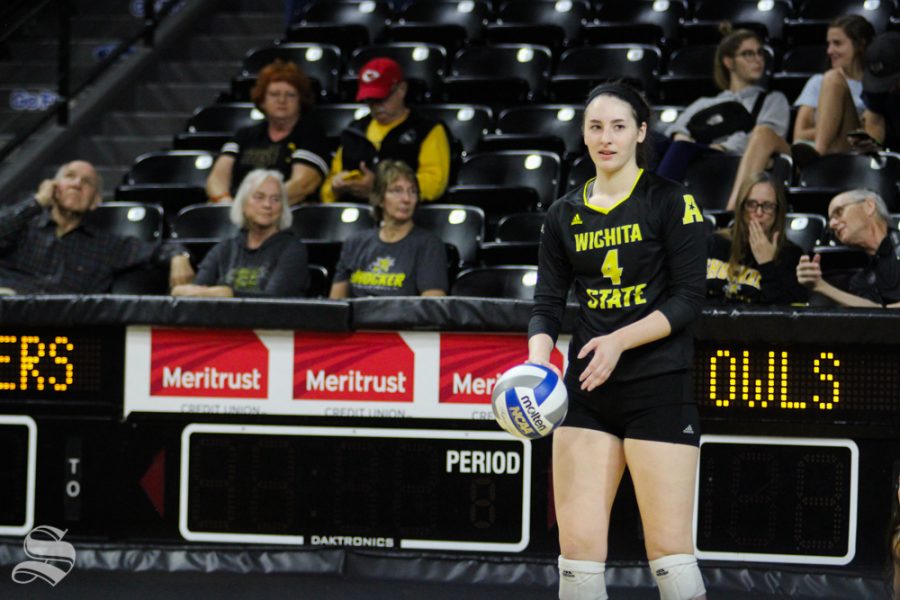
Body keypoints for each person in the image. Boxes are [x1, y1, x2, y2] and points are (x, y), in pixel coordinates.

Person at [528, 82, 707, 600]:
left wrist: (618, 342)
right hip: (586, 394)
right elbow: (546, 305)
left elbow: (688, 300)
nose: (606, 138)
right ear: (583, 135)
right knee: (577, 558)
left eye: (619, 126)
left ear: (641, 133)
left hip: (658, 387)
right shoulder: (563, 213)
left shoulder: (671, 201)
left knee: (670, 555)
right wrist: (537, 370)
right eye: (595, 126)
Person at [727, 15, 875, 208]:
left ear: (860, 44)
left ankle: (818, 154)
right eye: (828, 44)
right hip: (808, 151)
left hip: (849, 151)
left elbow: (871, 139)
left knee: (832, 79)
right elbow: (799, 135)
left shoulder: (874, 83)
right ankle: (732, 212)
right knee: (762, 133)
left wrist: (831, 126)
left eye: (837, 43)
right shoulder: (816, 83)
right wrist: (831, 125)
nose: (830, 50)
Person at [0, 160, 193, 294]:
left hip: (65, 332)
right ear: (53, 186)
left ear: (95, 201)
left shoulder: (108, 246)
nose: (77, 184)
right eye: (70, 176)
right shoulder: (22, 227)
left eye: (87, 182)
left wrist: (178, 256)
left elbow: (157, 249)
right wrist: (38, 201)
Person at [658, 25, 789, 197]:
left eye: (760, 53)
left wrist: (721, 147)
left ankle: (653, 207)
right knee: (652, 140)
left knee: (681, 148)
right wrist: (683, 138)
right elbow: (676, 130)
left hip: (732, 164)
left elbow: (763, 139)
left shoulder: (773, 99)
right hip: (697, 158)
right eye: (748, 54)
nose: (758, 59)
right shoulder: (707, 102)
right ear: (728, 62)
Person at [320, 57, 450, 204]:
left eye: (382, 98)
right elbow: (327, 189)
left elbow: (434, 184)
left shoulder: (427, 129)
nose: (376, 106)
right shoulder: (354, 131)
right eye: (370, 100)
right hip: (358, 219)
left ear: (402, 89)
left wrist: (379, 187)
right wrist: (337, 188)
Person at [205, 59, 330, 205]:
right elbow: (217, 177)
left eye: (290, 95)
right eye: (274, 94)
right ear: (262, 100)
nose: (282, 100)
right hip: (238, 209)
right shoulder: (245, 135)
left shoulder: (311, 135)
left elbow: (302, 185)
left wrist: (261, 205)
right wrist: (225, 201)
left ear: (301, 101)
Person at [172, 169, 308, 298]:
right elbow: (199, 289)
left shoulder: (292, 249)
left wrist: (229, 294)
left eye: (275, 199)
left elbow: (276, 303)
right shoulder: (224, 249)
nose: (267, 205)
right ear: (243, 203)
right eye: (259, 197)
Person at [329, 160, 448, 298]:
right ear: (379, 199)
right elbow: (336, 305)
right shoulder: (355, 243)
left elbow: (432, 307)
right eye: (397, 191)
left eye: (413, 191)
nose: (406, 199)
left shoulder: (428, 245)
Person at [707, 172, 807, 304]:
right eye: (751, 204)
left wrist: (767, 264)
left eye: (767, 206)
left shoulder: (791, 255)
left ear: (777, 212)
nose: (759, 213)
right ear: (741, 208)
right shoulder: (714, 244)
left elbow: (786, 317)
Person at [796, 189, 900, 307]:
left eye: (839, 212)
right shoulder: (861, 281)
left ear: (869, 206)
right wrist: (820, 285)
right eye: (830, 220)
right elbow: (875, 313)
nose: (832, 225)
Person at [853, 31, 900, 154]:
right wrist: (871, 157)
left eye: (893, 81)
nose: (889, 88)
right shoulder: (877, 92)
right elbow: (874, 121)